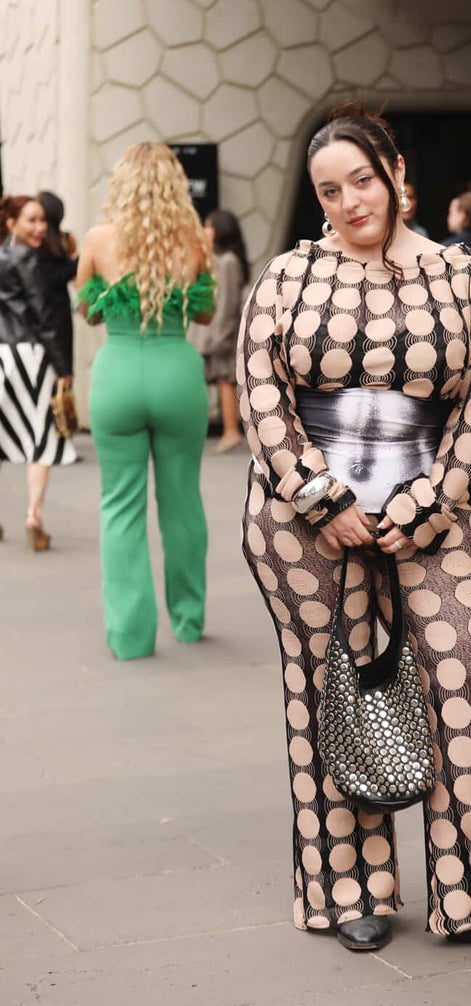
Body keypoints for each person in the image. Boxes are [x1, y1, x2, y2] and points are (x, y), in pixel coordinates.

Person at [237, 104, 471, 955]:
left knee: (469, 672)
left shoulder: (461, 279)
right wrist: (322, 499)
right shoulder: (287, 279)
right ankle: (348, 891)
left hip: (433, 513)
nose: (348, 202)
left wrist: (429, 503)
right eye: (328, 190)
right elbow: (263, 394)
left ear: (394, 173)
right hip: (305, 525)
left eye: (360, 181)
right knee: (333, 693)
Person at [77, 142, 215, 661]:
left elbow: (88, 311)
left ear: (122, 184)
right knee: (182, 501)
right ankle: (188, 618)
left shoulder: (97, 239)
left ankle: (130, 636)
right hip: (176, 373)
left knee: (120, 507)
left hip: (117, 376)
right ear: (174, 185)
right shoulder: (194, 240)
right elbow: (204, 314)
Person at [0, 194, 76, 550]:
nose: (40, 227)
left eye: (42, 220)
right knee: (40, 438)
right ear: (12, 224)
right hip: (29, 356)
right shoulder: (27, 258)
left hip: (2, 355)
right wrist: (63, 368)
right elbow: (45, 317)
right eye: (31, 220)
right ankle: (33, 515)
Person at [198, 209, 248, 453]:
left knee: (225, 379)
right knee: (221, 379)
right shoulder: (222, 258)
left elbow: (228, 303)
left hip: (224, 332)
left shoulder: (227, 260)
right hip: (220, 331)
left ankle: (231, 431)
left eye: (208, 226)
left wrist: (218, 336)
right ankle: (230, 430)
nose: (204, 231)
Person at [37, 191, 78, 385]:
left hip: (56, 315)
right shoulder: (41, 244)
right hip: (53, 316)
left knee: (61, 377)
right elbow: (57, 275)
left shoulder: (63, 240)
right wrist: (76, 263)